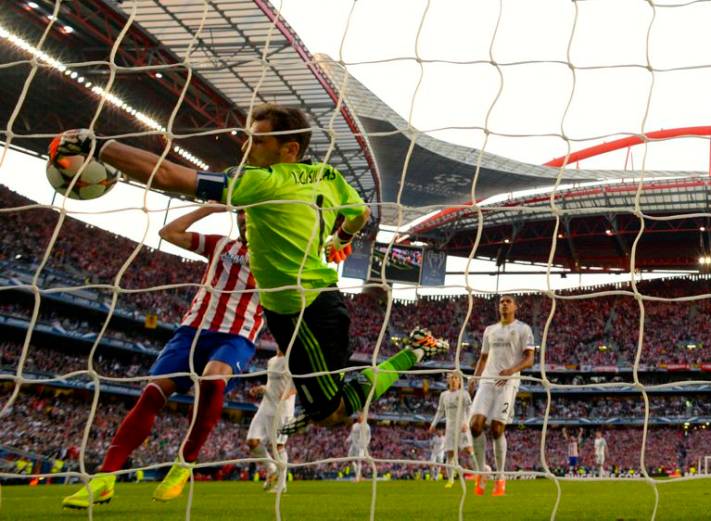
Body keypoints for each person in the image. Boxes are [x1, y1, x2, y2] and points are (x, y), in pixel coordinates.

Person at [49, 106, 448, 433]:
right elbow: (359, 214)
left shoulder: (264, 182)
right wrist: (341, 238)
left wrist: (97, 145)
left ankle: (410, 354)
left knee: (334, 413)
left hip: (303, 310)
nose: (247, 145)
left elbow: (170, 174)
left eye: (258, 140)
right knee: (331, 411)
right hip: (300, 307)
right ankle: (388, 366)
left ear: (289, 149)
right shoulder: (327, 175)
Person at [62, 206, 263, 508]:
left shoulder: (280, 258)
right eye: (242, 212)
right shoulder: (220, 244)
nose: (245, 217)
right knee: (152, 394)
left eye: (253, 212)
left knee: (212, 377)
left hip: (237, 336)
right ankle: (104, 478)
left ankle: (184, 464)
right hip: (190, 331)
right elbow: (168, 233)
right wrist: (212, 206)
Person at [468, 295, 535, 497]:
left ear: (515, 306)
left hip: (509, 382)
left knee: (497, 429)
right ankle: (482, 472)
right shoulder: (490, 330)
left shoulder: (524, 329)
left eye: (508, 301)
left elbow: (530, 359)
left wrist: (512, 370)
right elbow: (483, 357)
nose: (504, 304)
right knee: (475, 425)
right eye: (501, 302)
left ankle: (500, 477)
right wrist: (474, 377)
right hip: (487, 380)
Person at [246, 350, 296, 493]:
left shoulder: (292, 359)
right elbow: (271, 384)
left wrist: (287, 394)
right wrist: (262, 389)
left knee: (279, 445)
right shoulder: (272, 361)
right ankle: (271, 469)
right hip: (265, 406)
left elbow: (298, 384)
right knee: (252, 441)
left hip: (282, 409)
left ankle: (282, 485)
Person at [429, 372, 479, 488]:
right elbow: (440, 411)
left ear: (460, 381)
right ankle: (450, 480)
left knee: (469, 450)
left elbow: (470, 410)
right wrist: (433, 424)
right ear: (448, 380)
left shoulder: (464, 394)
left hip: (462, 426)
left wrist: (467, 423)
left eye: (456, 378)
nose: (453, 380)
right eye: (451, 378)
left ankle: (478, 475)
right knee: (450, 454)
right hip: (450, 428)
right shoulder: (444, 395)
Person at [346, 414, 371, 482]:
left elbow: (369, 437)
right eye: (358, 417)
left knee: (359, 461)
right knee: (350, 459)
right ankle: (359, 475)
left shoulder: (367, 426)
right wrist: (348, 440)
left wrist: (366, 445)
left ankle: (357, 478)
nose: (359, 418)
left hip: (361, 447)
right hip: (353, 445)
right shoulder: (354, 425)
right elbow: (352, 434)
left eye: (360, 417)